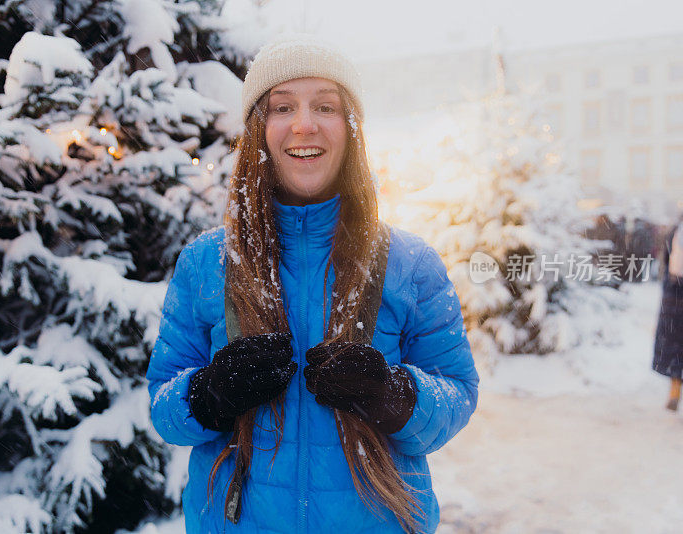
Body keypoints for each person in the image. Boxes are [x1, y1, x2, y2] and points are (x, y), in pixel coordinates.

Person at [146, 33, 479, 534]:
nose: (305, 124)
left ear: (351, 129)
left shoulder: (410, 263)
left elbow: (459, 392)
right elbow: (162, 403)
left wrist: (393, 394)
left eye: (326, 105)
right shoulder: (205, 262)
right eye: (283, 107)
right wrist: (208, 393)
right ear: (260, 129)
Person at [653, 209, 683, 420]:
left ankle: (675, 391)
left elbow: (665, 261)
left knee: (676, 347)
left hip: (675, 297)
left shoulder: (678, 230)